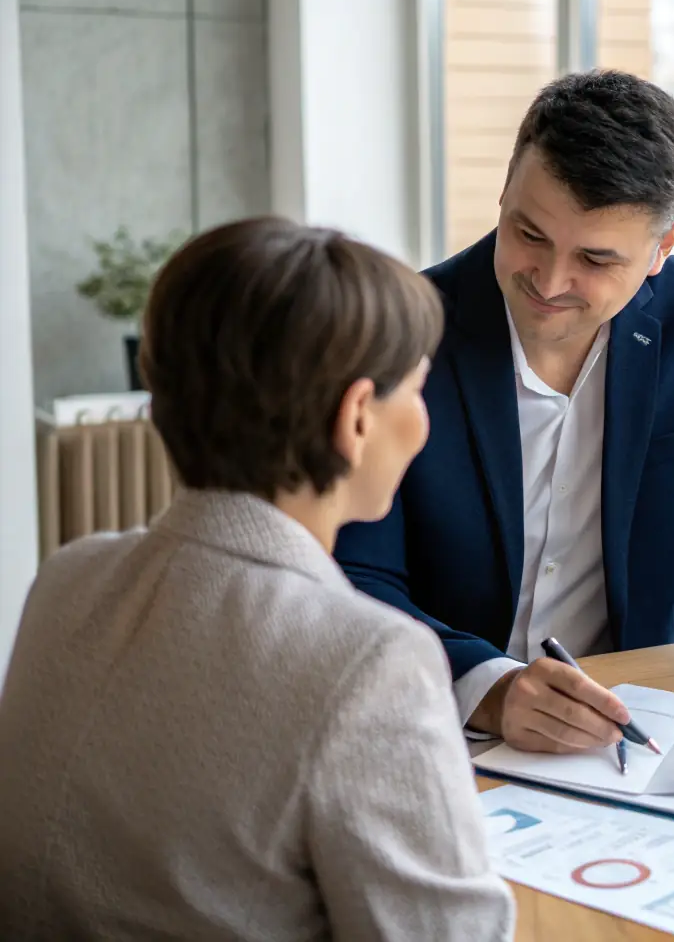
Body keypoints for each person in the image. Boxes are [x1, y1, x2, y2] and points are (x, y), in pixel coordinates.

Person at [0, 218, 514, 940]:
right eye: (418, 391)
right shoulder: (366, 661)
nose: (425, 424)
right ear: (356, 419)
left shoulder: (67, 579)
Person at [335, 70, 674, 755]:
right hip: (432, 718)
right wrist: (490, 687)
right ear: (504, 190)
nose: (550, 281)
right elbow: (354, 577)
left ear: (663, 247)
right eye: (528, 233)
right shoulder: (396, 332)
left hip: (643, 720)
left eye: (594, 258)